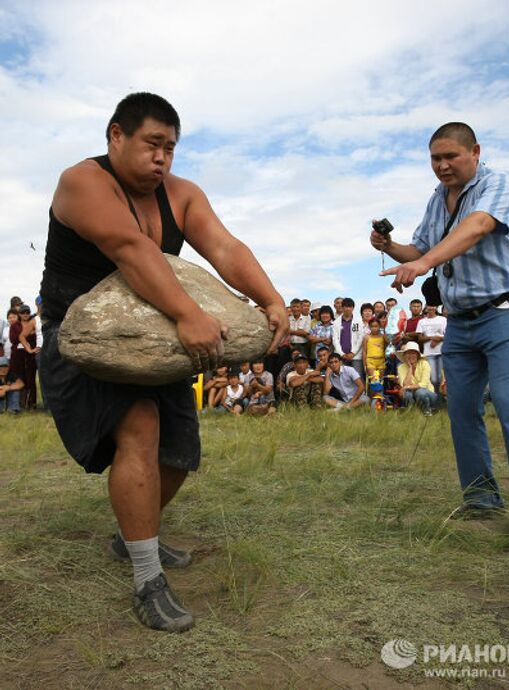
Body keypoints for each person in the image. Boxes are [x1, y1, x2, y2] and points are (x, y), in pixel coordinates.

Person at [39, 92, 287, 632]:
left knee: (178, 454)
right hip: (80, 338)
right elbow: (130, 248)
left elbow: (224, 248)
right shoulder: (82, 182)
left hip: (158, 339)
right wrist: (189, 314)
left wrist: (270, 299)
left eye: (171, 149)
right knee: (141, 428)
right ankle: (148, 580)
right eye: (153, 144)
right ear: (115, 136)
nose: (162, 159)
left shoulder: (181, 195)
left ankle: (131, 538)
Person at [372, 121, 509, 527]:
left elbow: (477, 227)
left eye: (450, 157)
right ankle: (481, 503)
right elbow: (420, 246)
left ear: (474, 151)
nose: (441, 166)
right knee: (460, 411)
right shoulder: (437, 199)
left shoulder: (500, 183)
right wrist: (391, 247)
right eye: (434, 159)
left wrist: (422, 264)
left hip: (507, 312)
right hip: (460, 321)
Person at [395, 342, 437, 416]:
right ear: (404, 355)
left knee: (420, 392)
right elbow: (404, 384)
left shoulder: (424, 363)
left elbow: (423, 384)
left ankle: (427, 411)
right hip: (412, 394)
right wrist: (410, 368)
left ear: (417, 355)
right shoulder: (401, 367)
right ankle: (412, 412)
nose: (411, 356)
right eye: (408, 353)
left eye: (413, 353)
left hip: (428, 394)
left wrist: (407, 387)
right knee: (407, 394)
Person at [415, 304, 446, 393]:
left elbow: (449, 335)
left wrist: (438, 339)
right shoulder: (422, 321)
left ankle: (442, 400)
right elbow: (420, 338)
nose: (431, 308)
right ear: (426, 308)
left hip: (441, 352)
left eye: (433, 306)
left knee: (441, 378)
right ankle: (435, 398)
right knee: (433, 379)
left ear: (436, 307)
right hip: (428, 353)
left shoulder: (443, 319)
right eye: (429, 306)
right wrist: (432, 338)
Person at [332, 297, 365, 377]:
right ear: (342, 308)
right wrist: (341, 354)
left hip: (356, 356)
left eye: (350, 307)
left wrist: (353, 352)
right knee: (343, 379)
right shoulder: (336, 322)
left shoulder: (359, 322)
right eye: (345, 307)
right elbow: (335, 340)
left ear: (353, 308)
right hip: (341, 356)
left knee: (357, 378)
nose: (347, 309)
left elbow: (360, 338)